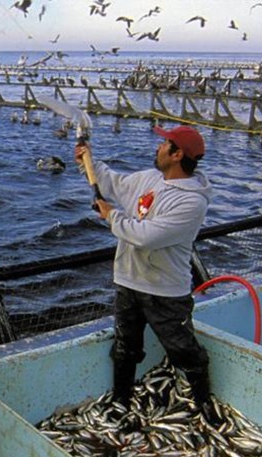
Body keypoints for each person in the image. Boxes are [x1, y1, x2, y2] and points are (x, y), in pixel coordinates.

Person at [74, 125, 216, 423]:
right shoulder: (150, 178)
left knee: (184, 350)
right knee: (125, 347)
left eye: (165, 143)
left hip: (166, 291)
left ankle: (205, 405)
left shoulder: (192, 201)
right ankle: (120, 401)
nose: (158, 147)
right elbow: (113, 184)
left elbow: (146, 236)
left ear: (177, 155)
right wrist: (89, 161)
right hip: (128, 282)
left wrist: (111, 215)